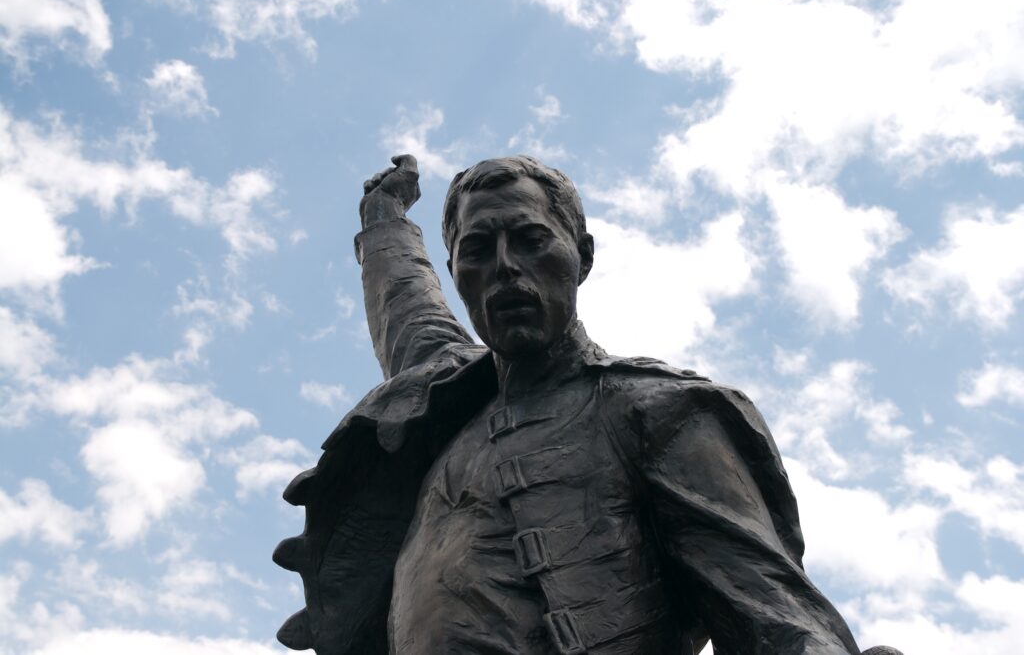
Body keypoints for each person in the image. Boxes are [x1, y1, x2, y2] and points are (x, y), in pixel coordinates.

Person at [274, 154, 895, 655]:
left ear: (583, 257)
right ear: (458, 273)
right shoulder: (448, 400)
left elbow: (768, 607)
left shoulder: (658, 413)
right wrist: (384, 221)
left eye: (531, 240)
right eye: (478, 250)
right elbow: (406, 311)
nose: (506, 269)